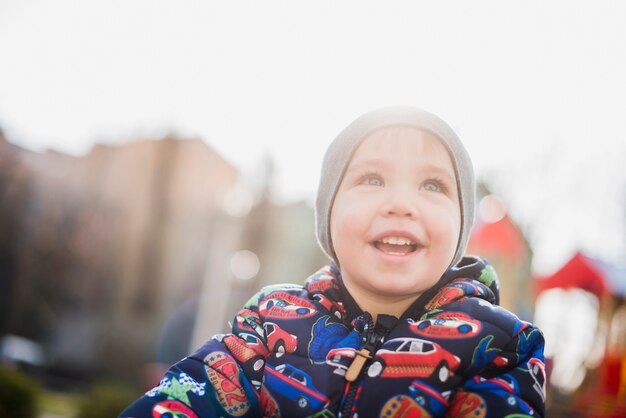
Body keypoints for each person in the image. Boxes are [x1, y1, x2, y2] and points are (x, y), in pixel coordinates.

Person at [120, 107, 546, 417]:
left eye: (432, 185)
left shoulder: (499, 344)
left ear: (460, 227)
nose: (401, 203)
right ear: (329, 214)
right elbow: (190, 396)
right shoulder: (270, 321)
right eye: (372, 179)